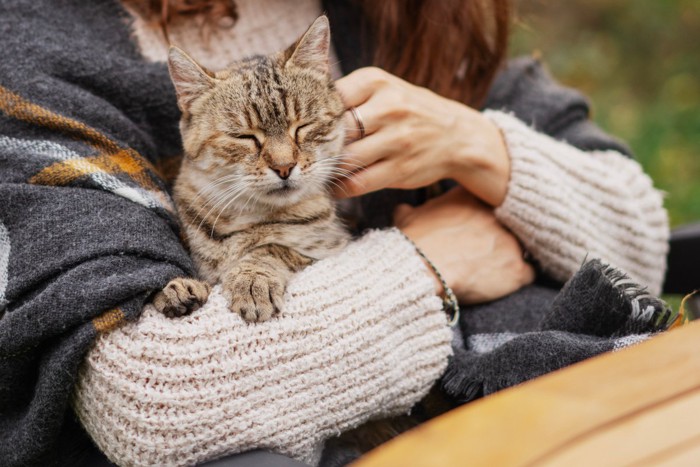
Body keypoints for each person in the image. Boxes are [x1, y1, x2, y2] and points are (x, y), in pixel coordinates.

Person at [0, 0, 669, 466]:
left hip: (570, 414)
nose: (288, 161)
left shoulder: (404, 15)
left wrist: (480, 145)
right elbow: (151, 402)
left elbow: (641, 250)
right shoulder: (38, 48)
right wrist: (427, 264)